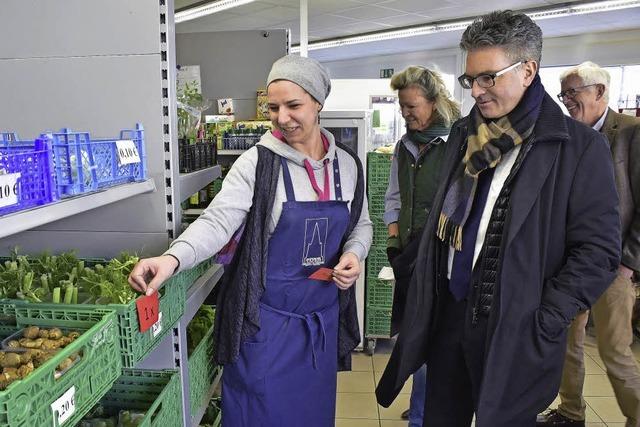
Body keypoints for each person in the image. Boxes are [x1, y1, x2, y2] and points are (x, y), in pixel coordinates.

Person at [375, 10, 621, 427]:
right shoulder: (463, 136)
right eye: (470, 79)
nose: (477, 91)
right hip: (448, 318)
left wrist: (546, 318)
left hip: (515, 326)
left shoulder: (576, 148)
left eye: (489, 77)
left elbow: (597, 251)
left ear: (528, 70)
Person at [128, 54, 373, 426]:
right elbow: (217, 221)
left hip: (319, 329)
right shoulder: (257, 164)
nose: (282, 117)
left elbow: (362, 225)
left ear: (319, 104)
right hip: (266, 328)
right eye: (273, 108)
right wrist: (171, 260)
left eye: (294, 105)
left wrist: (355, 253)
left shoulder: (349, 165)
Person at [537, 61, 640, 427]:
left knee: (614, 351)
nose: (566, 101)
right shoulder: (567, 135)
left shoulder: (631, 132)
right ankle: (570, 412)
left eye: (573, 92)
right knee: (567, 346)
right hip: (572, 263)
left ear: (599, 92)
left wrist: (629, 262)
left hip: (613, 265)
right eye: (563, 93)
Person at [383, 66, 461, 426]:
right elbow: (394, 197)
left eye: (411, 106)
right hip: (409, 257)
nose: (405, 113)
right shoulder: (404, 145)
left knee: (432, 338)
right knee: (414, 335)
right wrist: (394, 242)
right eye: (401, 106)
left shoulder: (458, 143)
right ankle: (422, 406)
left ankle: (424, 415)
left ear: (434, 101)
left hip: (443, 258)